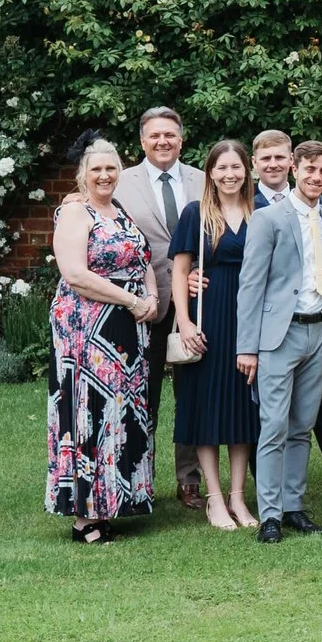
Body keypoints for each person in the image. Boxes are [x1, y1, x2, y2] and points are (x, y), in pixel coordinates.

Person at [48, 139, 161, 544]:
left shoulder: (119, 211)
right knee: (88, 413)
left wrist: (151, 296)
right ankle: (83, 516)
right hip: (86, 330)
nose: (104, 175)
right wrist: (131, 299)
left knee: (121, 413)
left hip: (127, 331)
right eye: (96, 169)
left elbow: (142, 260)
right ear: (84, 172)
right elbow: (75, 273)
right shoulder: (76, 211)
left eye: (111, 168)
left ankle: (112, 502)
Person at [235, 139, 322, 543]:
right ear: (295, 169)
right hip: (278, 335)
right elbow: (251, 285)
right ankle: (270, 515)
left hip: (318, 331)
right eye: (310, 169)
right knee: (274, 424)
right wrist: (247, 346)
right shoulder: (268, 219)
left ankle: (294, 507)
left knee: (302, 425)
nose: (316, 177)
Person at [167, 139, 259, 531]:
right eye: (221, 168)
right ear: (210, 173)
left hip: (248, 319)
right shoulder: (196, 213)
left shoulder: (262, 212)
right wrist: (185, 323)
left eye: (235, 167)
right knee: (206, 409)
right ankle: (214, 499)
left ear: (246, 170)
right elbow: (178, 271)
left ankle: (239, 498)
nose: (229, 174)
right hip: (208, 321)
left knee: (242, 410)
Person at [117, 107, 205, 510]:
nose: (163, 141)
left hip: (195, 301)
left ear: (181, 139)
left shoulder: (203, 181)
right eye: (155, 136)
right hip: (144, 306)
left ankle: (190, 480)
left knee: (192, 394)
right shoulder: (119, 182)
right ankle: (141, 479)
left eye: (170, 134)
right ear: (142, 141)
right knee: (142, 394)